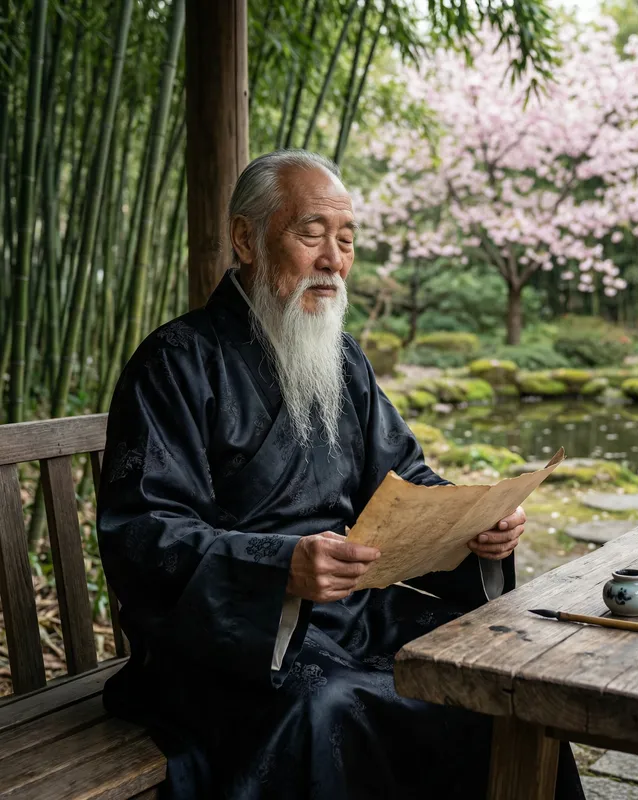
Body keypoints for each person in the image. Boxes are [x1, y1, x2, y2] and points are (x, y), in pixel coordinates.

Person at [97, 149, 585, 800]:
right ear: (246, 239)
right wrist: (279, 568)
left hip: (349, 616)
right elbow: (143, 533)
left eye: (347, 240)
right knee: (330, 708)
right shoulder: (175, 364)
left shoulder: (343, 360)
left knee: (497, 672)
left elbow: (405, 478)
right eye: (311, 234)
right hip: (229, 644)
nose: (333, 260)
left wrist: (479, 526)